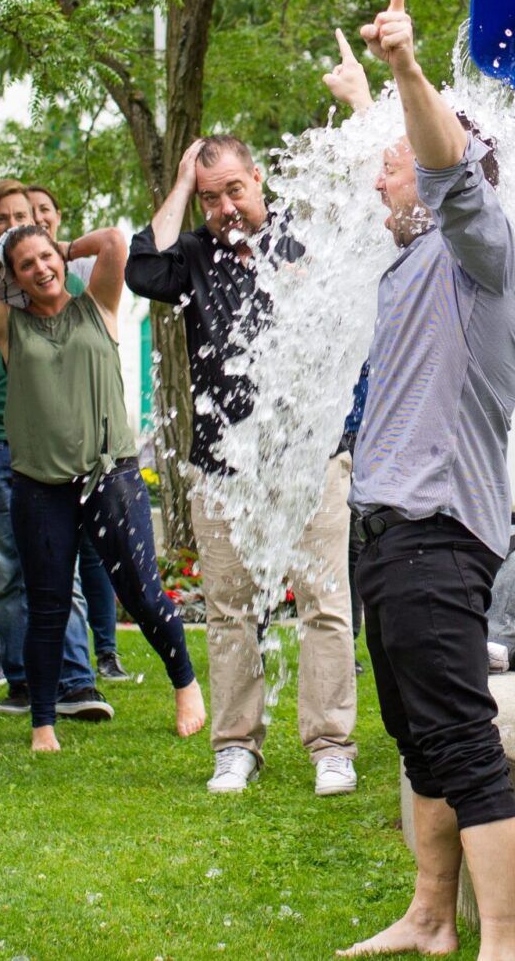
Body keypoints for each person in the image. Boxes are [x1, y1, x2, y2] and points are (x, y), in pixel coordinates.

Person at [340, 0, 515, 961]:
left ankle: (499, 942)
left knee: (460, 741)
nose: (379, 176)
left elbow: (444, 164)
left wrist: (410, 67)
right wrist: (369, 96)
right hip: (389, 530)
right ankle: (431, 914)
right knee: (419, 736)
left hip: (434, 535)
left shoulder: (482, 249)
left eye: (391, 161)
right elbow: (414, 155)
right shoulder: (426, 256)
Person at [125, 124, 361, 798]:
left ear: (257, 179)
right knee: (229, 610)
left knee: (325, 603)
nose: (226, 208)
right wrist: (179, 183)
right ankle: (235, 746)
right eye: (210, 198)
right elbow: (142, 270)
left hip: (309, 456)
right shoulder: (194, 253)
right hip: (225, 464)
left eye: (234, 190)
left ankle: (331, 745)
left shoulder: (306, 236)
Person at [0, 223, 203, 753]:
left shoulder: (98, 305)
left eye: (46, 258)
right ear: (13, 278)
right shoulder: (7, 326)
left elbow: (112, 241)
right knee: (48, 605)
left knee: (143, 593)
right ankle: (43, 725)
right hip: (42, 488)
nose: (41, 269)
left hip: (112, 476)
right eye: (26, 266)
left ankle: (187, 686)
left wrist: (64, 248)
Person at [0, 178, 107, 720]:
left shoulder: (51, 290)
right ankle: (21, 681)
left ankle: (78, 682)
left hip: (55, 451)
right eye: (0, 219)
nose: (11, 224)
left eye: (21, 216)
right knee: (9, 574)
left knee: (64, 569)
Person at [25, 184, 126, 680]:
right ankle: (68, 675)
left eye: (46, 212)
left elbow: (112, 239)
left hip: (101, 461)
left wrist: (60, 250)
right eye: (29, 215)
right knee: (51, 582)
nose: (39, 219)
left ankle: (106, 652)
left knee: (104, 567)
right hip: (43, 465)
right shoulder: (15, 314)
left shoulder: (88, 289)